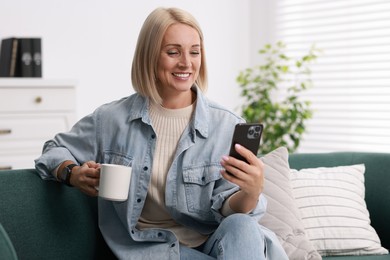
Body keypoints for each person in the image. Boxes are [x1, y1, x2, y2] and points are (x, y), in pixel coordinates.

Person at [35, 7, 288, 260]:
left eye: (194, 52)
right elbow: (53, 150)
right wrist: (72, 173)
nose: (186, 63)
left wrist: (251, 193)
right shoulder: (112, 120)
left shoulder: (225, 124)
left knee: (243, 225)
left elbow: (230, 210)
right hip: (149, 251)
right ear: (150, 56)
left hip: (213, 245)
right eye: (173, 52)